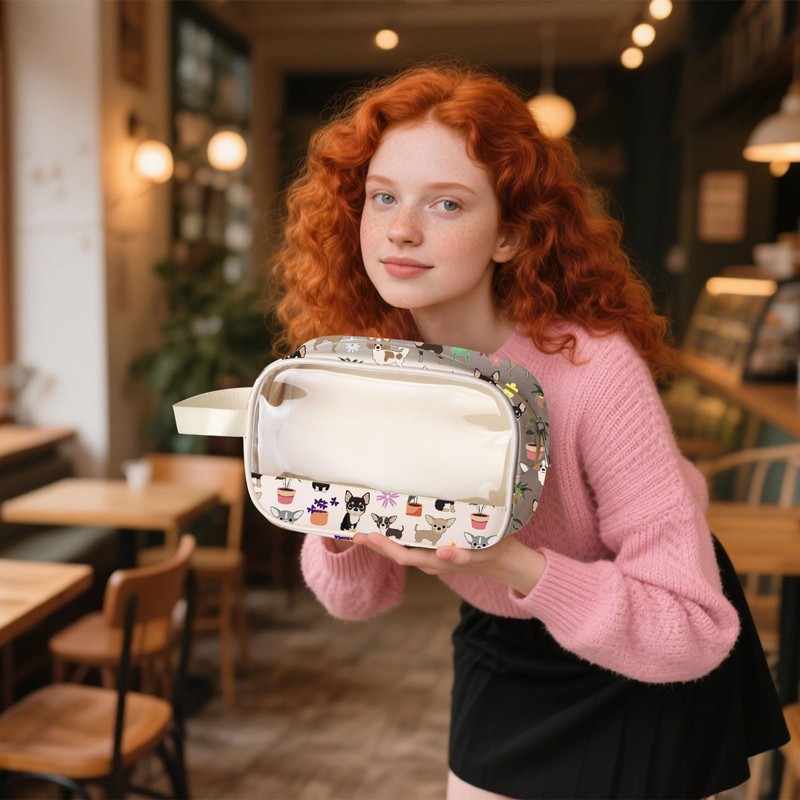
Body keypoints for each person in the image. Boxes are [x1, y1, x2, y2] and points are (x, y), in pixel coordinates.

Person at [270, 63, 788, 799]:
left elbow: (691, 631)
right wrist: (337, 510)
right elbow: (355, 599)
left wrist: (508, 561)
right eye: (383, 197)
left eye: (446, 204)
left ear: (509, 235)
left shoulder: (591, 370)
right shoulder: (375, 367)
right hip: (506, 638)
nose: (402, 229)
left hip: (647, 651)